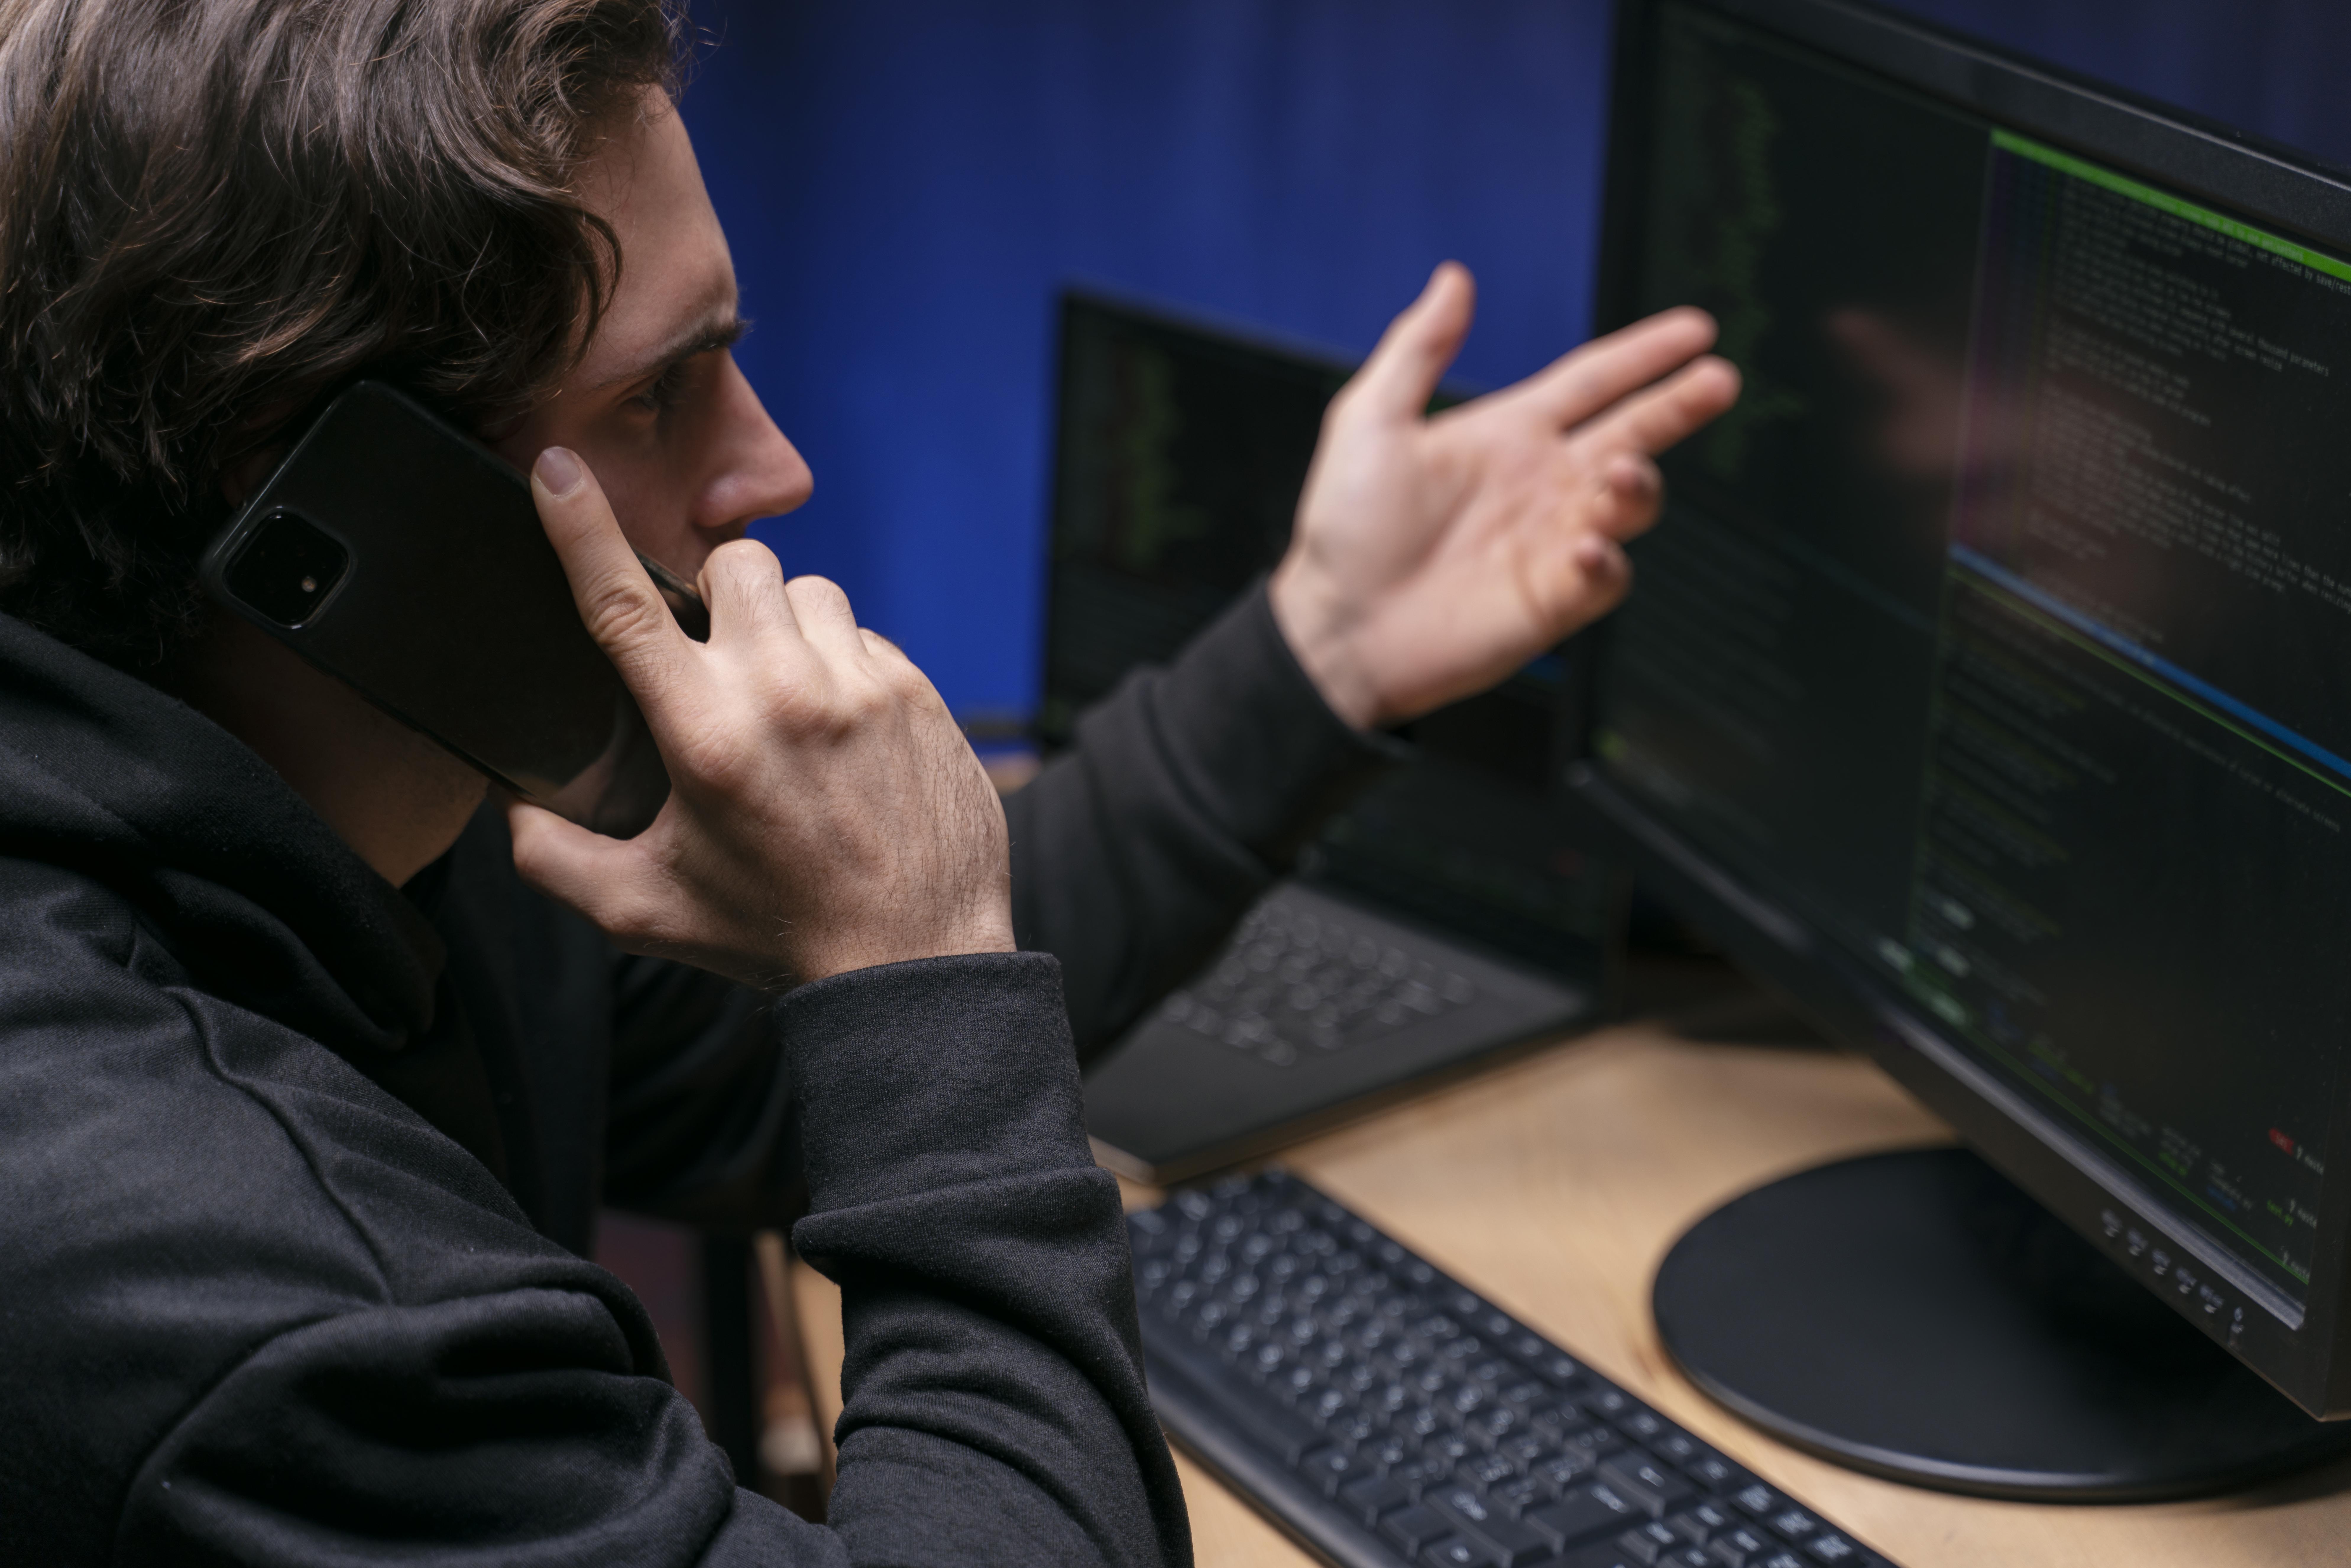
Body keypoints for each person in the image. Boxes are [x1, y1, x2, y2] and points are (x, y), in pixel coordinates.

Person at [0, 1, 1739, 1563]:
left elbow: (767, 1074)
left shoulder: (369, 787)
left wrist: (1324, 653)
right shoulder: (213, 1277)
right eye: (664, 393)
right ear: (344, 517)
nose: (774, 463)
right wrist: (916, 976)